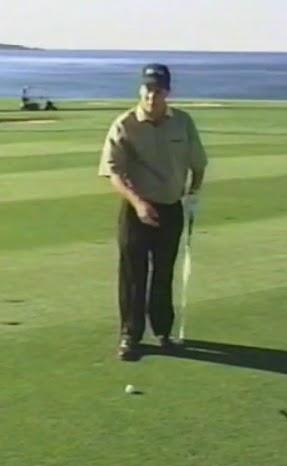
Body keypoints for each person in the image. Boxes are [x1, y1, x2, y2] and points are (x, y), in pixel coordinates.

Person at [98, 64, 208, 361]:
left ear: (167, 92)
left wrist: (193, 192)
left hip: (171, 207)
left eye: (158, 90)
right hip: (136, 209)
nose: (152, 95)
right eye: (148, 89)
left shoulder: (182, 123)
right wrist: (138, 202)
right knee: (133, 274)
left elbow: (198, 163)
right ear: (140, 90)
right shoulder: (125, 124)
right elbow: (114, 173)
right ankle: (130, 336)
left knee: (163, 272)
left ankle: (163, 332)